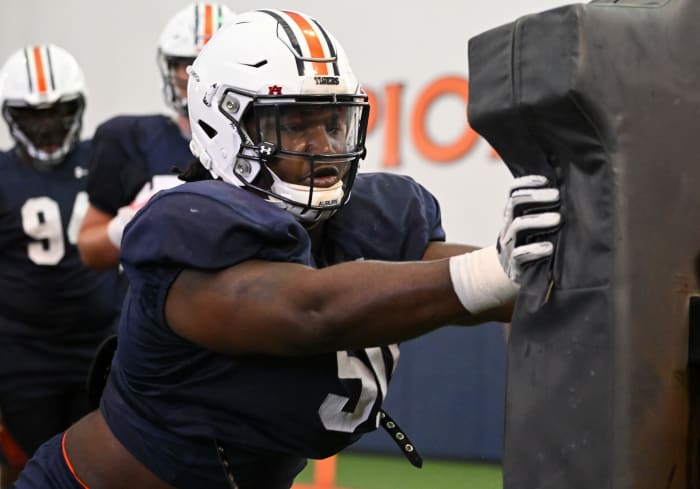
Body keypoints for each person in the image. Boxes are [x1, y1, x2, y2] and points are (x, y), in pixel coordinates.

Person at [13, 9, 562, 489]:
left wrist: (557, 253)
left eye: (332, 122)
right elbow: (309, 312)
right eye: (293, 124)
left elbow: (485, 281)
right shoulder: (186, 224)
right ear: (220, 121)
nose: (322, 146)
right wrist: (494, 270)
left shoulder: (369, 215)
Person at [0, 44, 120, 488]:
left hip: (102, 345)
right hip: (24, 356)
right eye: (34, 115)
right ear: (12, 115)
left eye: (59, 111)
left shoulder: (106, 158)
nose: (48, 125)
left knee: (104, 470)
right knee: (36, 469)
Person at [77, 2, 235, 269]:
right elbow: (90, 250)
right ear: (171, 70)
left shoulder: (265, 142)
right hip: (151, 302)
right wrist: (126, 225)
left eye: (213, 67)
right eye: (188, 67)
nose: (199, 80)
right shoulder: (127, 138)